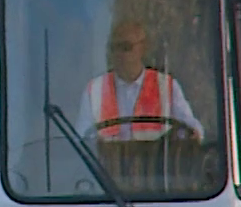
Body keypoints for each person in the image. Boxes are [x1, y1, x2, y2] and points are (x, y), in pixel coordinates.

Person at [75, 20, 203, 140]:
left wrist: (192, 134)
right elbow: (82, 138)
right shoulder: (95, 90)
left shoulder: (165, 86)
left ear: (143, 48)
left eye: (126, 47)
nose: (120, 54)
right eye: (114, 48)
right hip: (103, 163)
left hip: (156, 163)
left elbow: (191, 128)